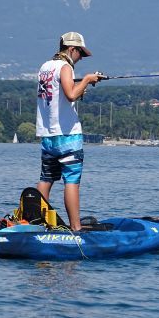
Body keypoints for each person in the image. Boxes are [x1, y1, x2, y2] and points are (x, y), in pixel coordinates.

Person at [36, 31, 103, 231]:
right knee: (71, 182)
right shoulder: (65, 67)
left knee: (46, 179)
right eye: (80, 53)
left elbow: (59, 94)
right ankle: (76, 228)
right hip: (67, 137)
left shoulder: (44, 67)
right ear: (71, 49)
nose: (81, 58)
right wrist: (87, 80)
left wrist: (83, 84)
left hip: (48, 136)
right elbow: (71, 94)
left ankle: (38, 223)